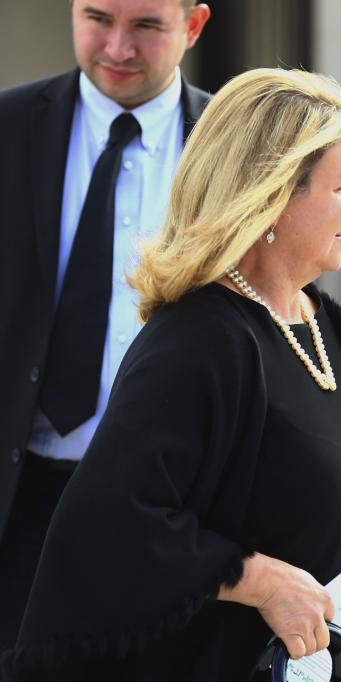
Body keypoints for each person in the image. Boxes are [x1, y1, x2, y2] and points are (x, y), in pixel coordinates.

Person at [0, 68, 341, 682]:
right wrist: (256, 579)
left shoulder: (322, 321)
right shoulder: (198, 340)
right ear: (270, 197)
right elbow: (113, 523)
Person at [0, 0, 211, 647]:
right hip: (23, 497)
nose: (118, 47)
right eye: (98, 18)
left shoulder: (234, 144)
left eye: (146, 25)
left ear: (194, 26)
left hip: (178, 509)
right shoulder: (8, 126)